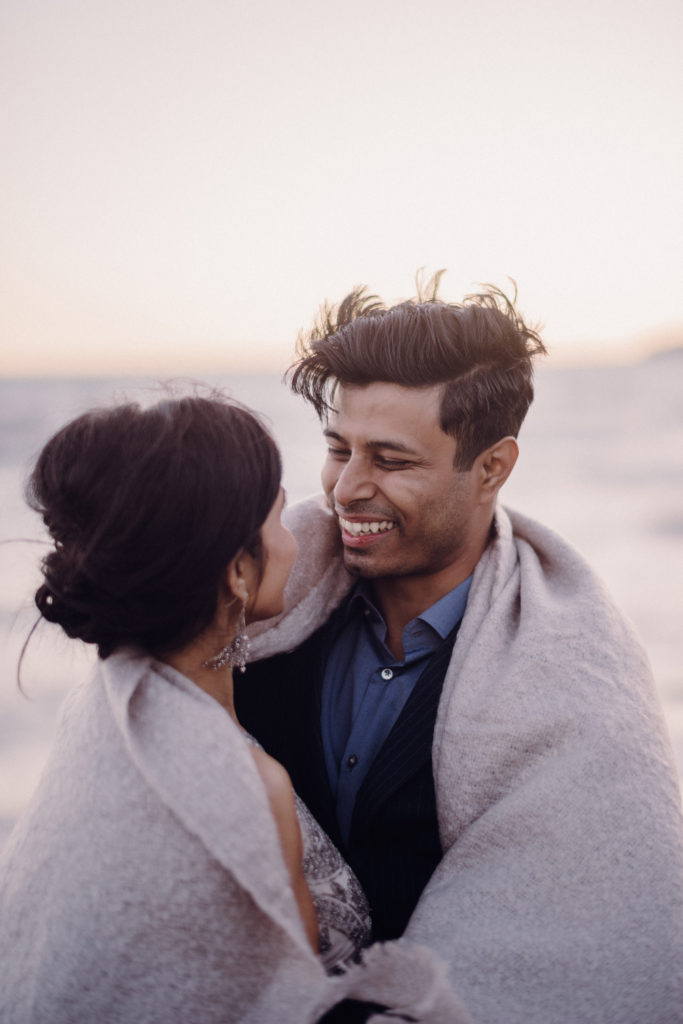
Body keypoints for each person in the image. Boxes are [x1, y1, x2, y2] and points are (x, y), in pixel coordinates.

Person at [235, 281, 683, 1024]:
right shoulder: (259, 615)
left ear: (492, 468)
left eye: (391, 460)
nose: (347, 489)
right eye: (338, 450)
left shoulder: (574, 692)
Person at [0, 393, 471, 1024]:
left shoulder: (105, 714)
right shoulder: (246, 784)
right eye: (280, 521)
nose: (305, 536)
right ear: (235, 575)